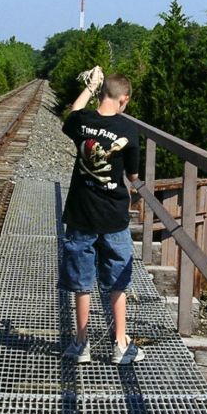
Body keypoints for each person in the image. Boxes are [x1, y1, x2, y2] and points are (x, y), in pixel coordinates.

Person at [59, 66, 145, 365]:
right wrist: (135, 184)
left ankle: (81, 343)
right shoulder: (129, 130)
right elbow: (133, 175)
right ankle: (121, 343)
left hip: (81, 214)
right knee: (118, 278)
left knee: (81, 279)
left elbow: (74, 111)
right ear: (124, 99)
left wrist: (90, 86)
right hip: (113, 216)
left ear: (102, 93)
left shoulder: (81, 122)